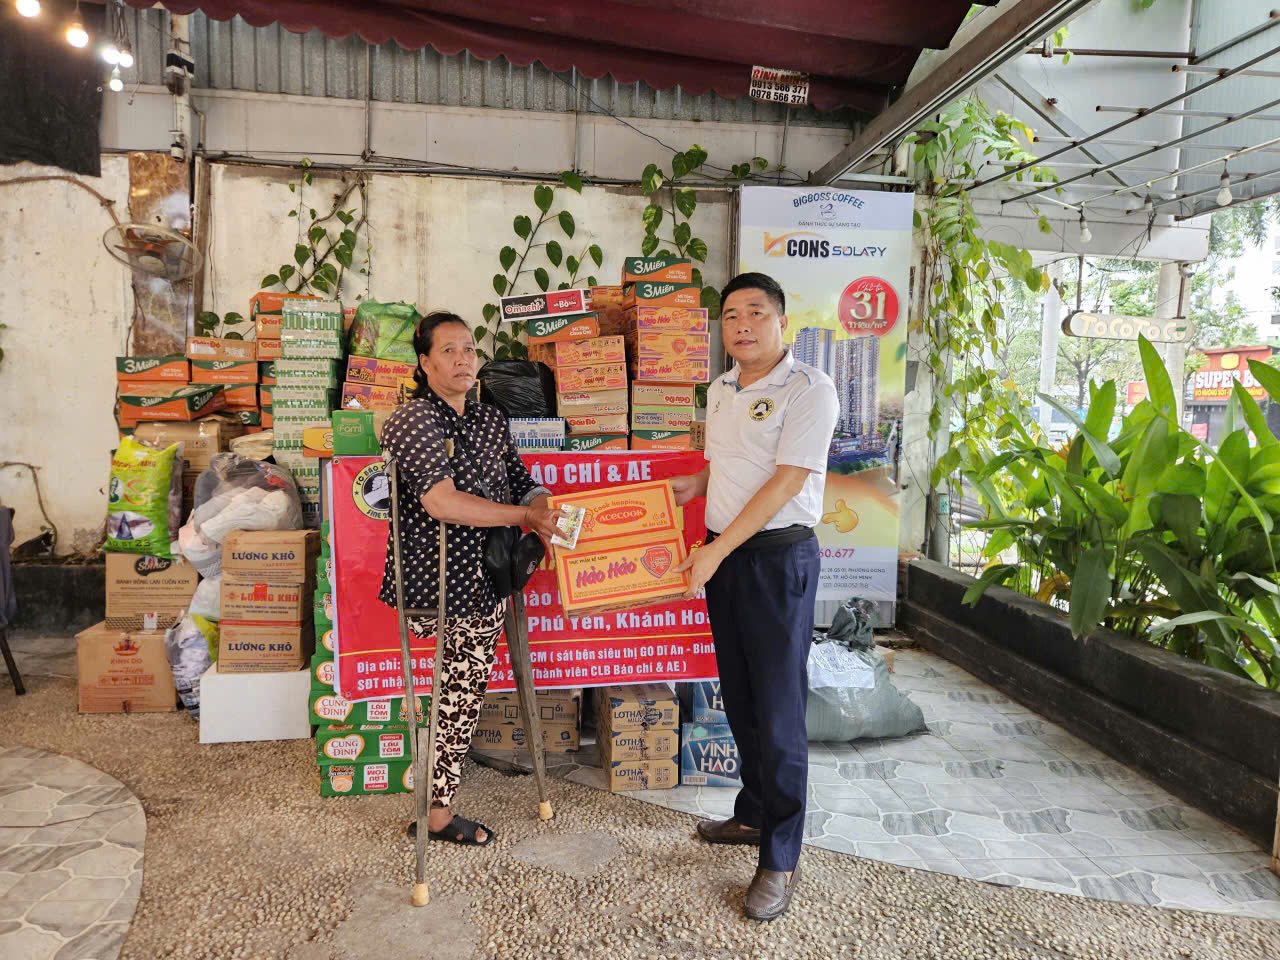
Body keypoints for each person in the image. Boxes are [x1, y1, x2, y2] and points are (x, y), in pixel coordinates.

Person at [670, 272, 838, 920]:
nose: (742, 324)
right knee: (739, 698)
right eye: (732, 314)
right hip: (727, 558)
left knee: (778, 709)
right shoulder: (720, 388)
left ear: (782, 323)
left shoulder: (808, 389)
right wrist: (695, 487)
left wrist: (715, 551)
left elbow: (786, 480)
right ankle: (752, 813)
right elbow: (732, 462)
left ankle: (781, 856)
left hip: (774, 559)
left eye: (756, 313)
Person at [378, 311, 564, 846]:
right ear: (424, 361)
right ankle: (435, 816)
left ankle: (435, 805)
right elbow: (440, 501)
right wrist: (523, 517)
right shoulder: (413, 419)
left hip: (490, 576)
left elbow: (520, 480)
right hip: (436, 579)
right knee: (458, 692)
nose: (462, 360)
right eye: (449, 351)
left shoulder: (488, 419)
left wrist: (541, 506)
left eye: (468, 350)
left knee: (464, 689)